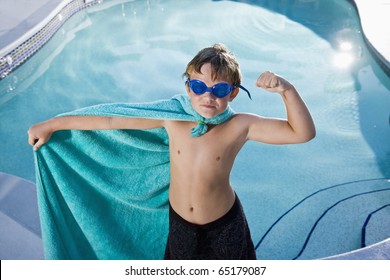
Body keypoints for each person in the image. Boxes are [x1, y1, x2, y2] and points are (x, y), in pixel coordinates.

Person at [28, 43, 315, 259]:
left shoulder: (241, 125)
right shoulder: (173, 118)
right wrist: (54, 124)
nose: (208, 96)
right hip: (179, 224)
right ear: (188, 86)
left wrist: (287, 90)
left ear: (233, 93)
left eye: (219, 89)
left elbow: (301, 133)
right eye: (200, 86)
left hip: (223, 224)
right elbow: (111, 118)